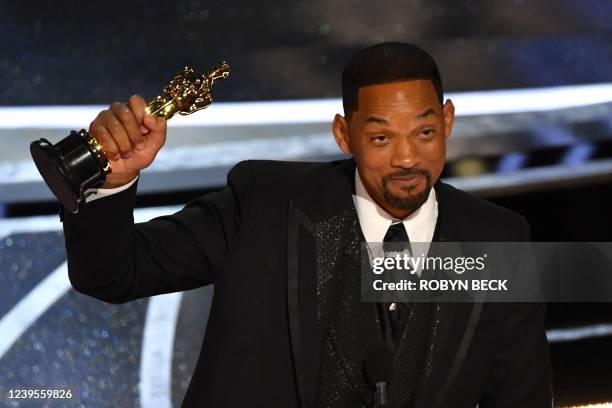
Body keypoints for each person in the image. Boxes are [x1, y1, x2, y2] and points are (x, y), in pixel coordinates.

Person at [62, 43, 553, 407]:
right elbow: (112, 272)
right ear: (344, 134)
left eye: (424, 133)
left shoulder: (500, 239)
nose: (407, 158)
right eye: (381, 137)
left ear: (447, 122)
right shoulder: (265, 204)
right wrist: (115, 180)